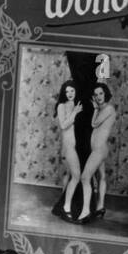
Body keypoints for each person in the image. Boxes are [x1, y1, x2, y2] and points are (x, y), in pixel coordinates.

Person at [79, 83, 115, 221]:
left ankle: (86, 211)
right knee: (102, 176)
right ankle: (100, 207)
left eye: (100, 93)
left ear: (105, 93)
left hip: (99, 150)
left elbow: (94, 124)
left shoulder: (108, 108)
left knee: (85, 177)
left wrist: (94, 109)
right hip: (99, 148)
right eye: (95, 94)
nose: (98, 97)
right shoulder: (103, 108)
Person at [55, 81, 82, 218]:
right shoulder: (62, 106)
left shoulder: (78, 105)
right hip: (68, 146)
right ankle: (66, 207)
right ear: (64, 93)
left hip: (78, 146)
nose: (70, 94)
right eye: (67, 91)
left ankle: (64, 203)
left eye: (72, 91)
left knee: (70, 174)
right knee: (76, 175)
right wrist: (75, 113)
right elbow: (64, 125)